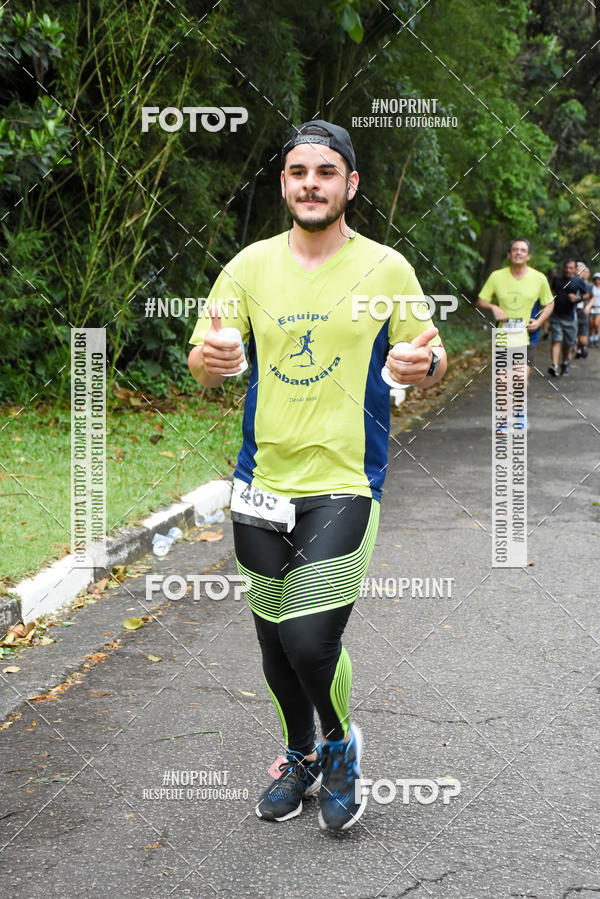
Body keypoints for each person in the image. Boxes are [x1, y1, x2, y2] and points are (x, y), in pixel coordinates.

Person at [187, 120, 446, 832]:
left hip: (345, 482)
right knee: (273, 642)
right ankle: (299, 754)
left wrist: (422, 367)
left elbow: (428, 352)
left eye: (326, 172)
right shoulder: (248, 267)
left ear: (350, 184)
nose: (311, 183)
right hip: (261, 482)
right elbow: (207, 352)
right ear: (283, 184)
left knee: (308, 637)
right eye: (298, 171)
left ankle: (341, 749)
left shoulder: (386, 268)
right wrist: (209, 360)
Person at [476, 238, 554, 383]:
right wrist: (494, 307)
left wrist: (539, 322)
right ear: (509, 255)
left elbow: (549, 303)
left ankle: (518, 406)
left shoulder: (539, 278)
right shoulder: (496, 276)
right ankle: (508, 406)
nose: (519, 253)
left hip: (527, 336)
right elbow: (481, 300)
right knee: (503, 382)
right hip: (503, 336)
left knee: (520, 380)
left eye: (523, 250)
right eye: (515, 249)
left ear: (528, 256)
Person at [549, 260, 590, 376]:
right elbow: (550, 292)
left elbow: (586, 294)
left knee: (568, 344)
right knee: (556, 340)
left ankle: (564, 363)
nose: (568, 270)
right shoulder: (557, 279)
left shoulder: (578, 281)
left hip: (570, 318)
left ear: (575, 269)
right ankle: (554, 365)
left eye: (571, 268)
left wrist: (578, 299)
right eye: (566, 267)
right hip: (556, 316)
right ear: (563, 267)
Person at [575, 263, 594, 358]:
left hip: (584, 311)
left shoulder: (589, 285)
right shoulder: (572, 282)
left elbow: (593, 297)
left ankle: (583, 347)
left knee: (583, 332)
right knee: (575, 331)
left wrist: (588, 306)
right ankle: (578, 349)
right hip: (574, 311)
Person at [589, 272, 600, 346]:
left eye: (599, 279)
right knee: (591, 325)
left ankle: (596, 338)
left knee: (596, 324)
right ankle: (590, 339)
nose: (597, 281)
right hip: (591, 308)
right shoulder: (591, 287)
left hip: (599, 309)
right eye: (596, 279)